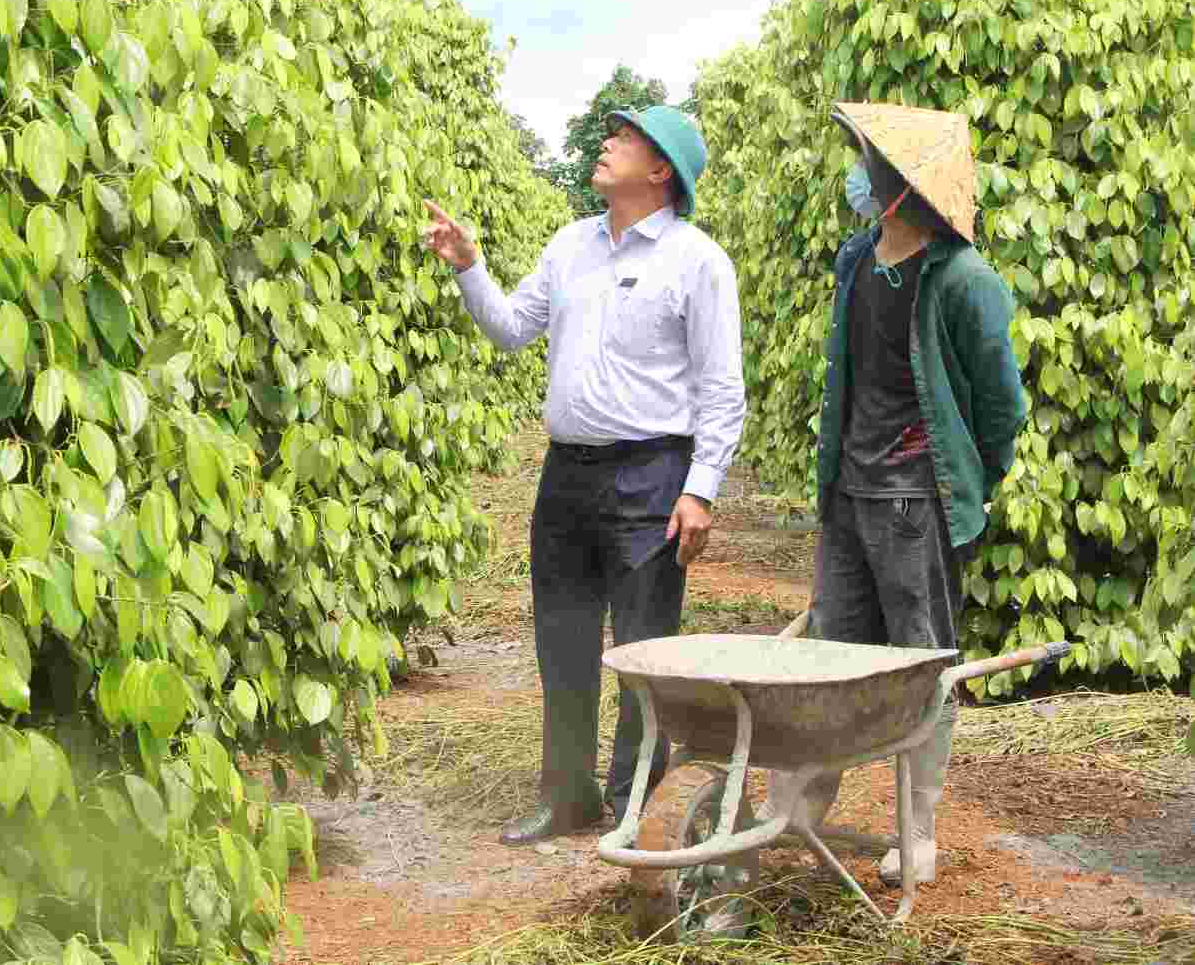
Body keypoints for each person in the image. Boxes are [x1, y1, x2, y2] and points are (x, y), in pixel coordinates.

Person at [422, 106, 746, 846]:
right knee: (563, 641)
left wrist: (701, 486)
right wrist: (470, 266)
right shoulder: (571, 245)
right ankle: (567, 794)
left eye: (624, 138)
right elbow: (510, 328)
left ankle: (638, 803)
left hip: (652, 475)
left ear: (661, 170)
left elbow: (721, 387)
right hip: (567, 474)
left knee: (643, 649)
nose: (606, 144)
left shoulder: (699, 261)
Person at [781, 101, 1028, 885]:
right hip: (850, 496)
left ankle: (916, 833)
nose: (858, 172)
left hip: (916, 506)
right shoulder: (857, 260)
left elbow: (1002, 407)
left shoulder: (963, 279)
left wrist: (965, 484)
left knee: (923, 666)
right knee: (826, 659)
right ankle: (797, 807)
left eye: (869, 162)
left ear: (899, 183)